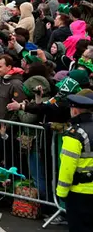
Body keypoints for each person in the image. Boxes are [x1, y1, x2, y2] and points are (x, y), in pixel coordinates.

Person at [57, 90, 93, 231]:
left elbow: (67, 167)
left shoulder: (75, 134)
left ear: (75, 110)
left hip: (80, 193)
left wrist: (61, 193)